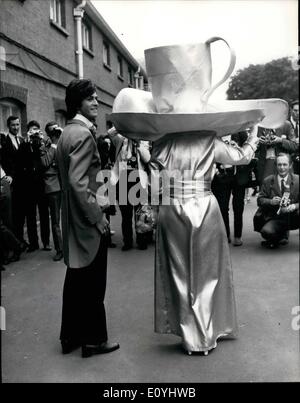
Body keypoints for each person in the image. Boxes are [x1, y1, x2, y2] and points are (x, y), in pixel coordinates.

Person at [56, 78, 119, 358]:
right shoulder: (83, 135)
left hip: (72, 218)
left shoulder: (67, 133)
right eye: (90, 98)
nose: (96, 102)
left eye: (96, 97)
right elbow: (79, 183)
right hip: (86, 220)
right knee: (93, 282)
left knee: (76, 280)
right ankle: (94, 341)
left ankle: (69, 337)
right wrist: (98, 218)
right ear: (78, 102)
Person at [108, 126, 151, 251]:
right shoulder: (120, 139)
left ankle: (141, 241)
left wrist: (138, 143)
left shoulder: (143, 141)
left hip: (138, 179)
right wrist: (125, 123)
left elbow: (147, 158)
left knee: (140, 214)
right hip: (123, 179)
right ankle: (127, 242)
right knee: (126, 216)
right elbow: (110, 133)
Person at [212, 131, 257, 246]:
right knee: (222, 207)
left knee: (238, 207)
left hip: (239, 176)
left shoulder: (241, 133)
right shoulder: (216, 134)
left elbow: (250, 152)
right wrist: (216, 168)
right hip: (222, 176)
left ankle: (238, 236)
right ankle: (225, 235)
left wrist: (238, 149)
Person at [255, 153, 299, 249]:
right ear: (275, 165)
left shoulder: (298, 180)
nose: (282, 168)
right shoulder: (267, 180)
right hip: (276, 217)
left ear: (290, 165)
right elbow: (259, 200)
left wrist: (295, 206)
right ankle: (278, 237)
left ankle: (283, 234)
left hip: (294, 216)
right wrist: (271, 202)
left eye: (285, 164)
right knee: (267, 232)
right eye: (279, 165)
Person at [39, 121, 64, 261]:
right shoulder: (45, 147)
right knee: (56, 220)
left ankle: (71, 246)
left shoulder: (65, 143)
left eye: (57, 129)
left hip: (67, 184)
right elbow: (45, 163)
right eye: (53, 131)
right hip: (53, 187)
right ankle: (60, 249)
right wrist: (54, 145)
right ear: (49, 134)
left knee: (71, 218)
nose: (56, 132)